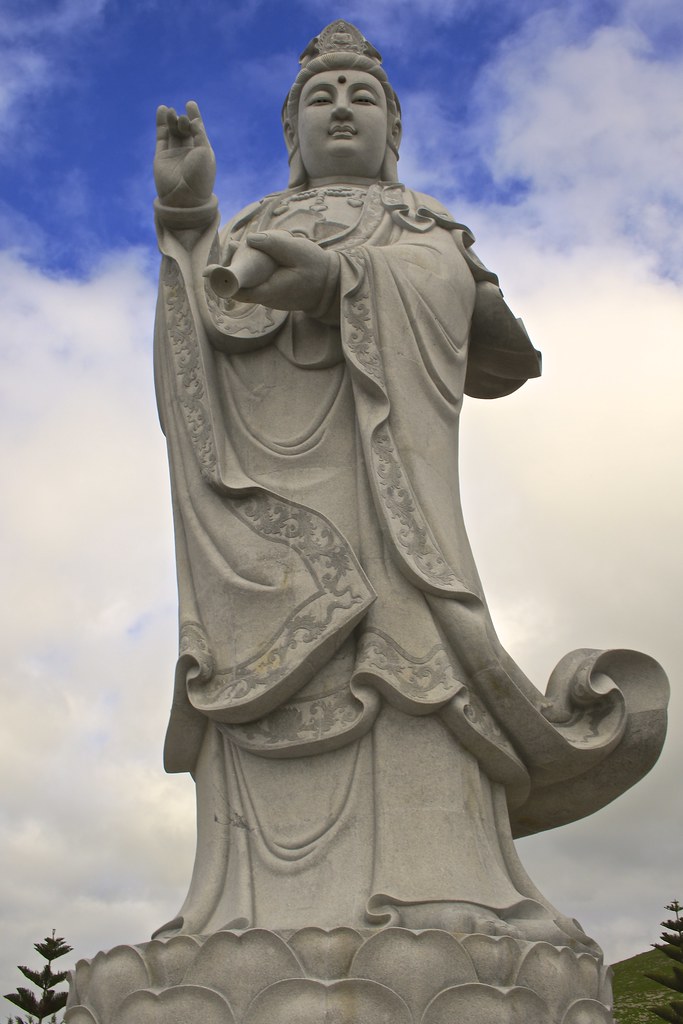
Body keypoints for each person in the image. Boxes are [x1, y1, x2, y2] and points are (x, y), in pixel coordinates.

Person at [152, 20, 667, 944]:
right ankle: (241, 916)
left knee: (410, 668)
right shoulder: (253, 226)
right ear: (290, 133)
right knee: (260, 680)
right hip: (269, 526)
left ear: (393, 130)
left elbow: (498, 347)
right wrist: (189, 227)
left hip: (393, 509)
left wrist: (346, 279)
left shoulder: (420, 224)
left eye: (362, 98)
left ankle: (450, 902)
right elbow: (195, 354)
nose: (341, 108)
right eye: (320, 97)